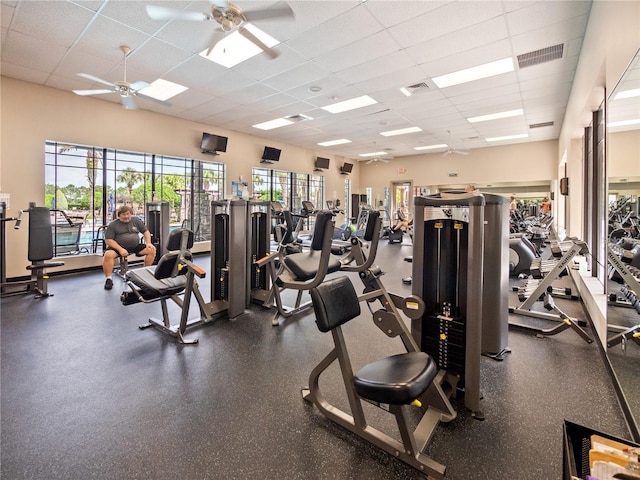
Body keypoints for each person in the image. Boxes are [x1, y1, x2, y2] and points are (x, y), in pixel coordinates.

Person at [102, 205, 156, 290]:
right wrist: (120, 249)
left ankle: (145, 272)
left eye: (128, 214)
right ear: (119, 215)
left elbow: (146, 232)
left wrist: (148, 243)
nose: (126, 216)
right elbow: (108, 240)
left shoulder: (136, 220)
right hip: (118, 247)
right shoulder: (113, 225)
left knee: (151, 250)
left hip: (134, 246)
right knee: (108, 255)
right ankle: (108, 279)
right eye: (124, 214)